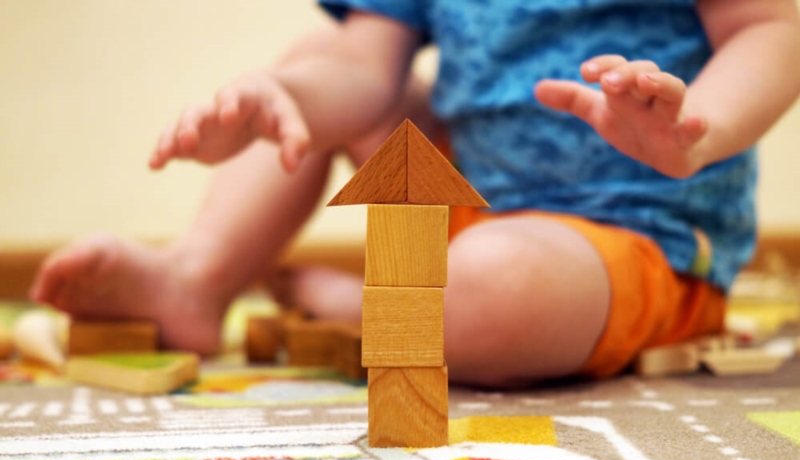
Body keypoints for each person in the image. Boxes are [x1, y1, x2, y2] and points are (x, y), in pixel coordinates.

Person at [30, 1, 800, 387]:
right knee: (311, 64)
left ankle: (363, 308)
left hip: (637, 234)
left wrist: (698, 128)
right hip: (474, 202)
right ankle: (197, 277)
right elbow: (364, 71)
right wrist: (274, 95)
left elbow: (771, 24)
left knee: (496, 284)